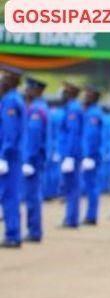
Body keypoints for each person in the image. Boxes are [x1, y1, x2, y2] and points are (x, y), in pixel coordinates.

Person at [20, 76, 47, 242]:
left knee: (32, 196)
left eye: (29, 88)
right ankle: (33, 230)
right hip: (34, 158)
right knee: (31, 195)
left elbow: (34, 137)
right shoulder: (37, 107)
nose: (26, 91)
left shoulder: (36, 110)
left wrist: (29, 160)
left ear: (37, 91)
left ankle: (34, 231)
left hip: (34, 159)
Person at [0, 66, 25, 248]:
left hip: (10, 156)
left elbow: (10, 131)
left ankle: (13, 235)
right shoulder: (11, 98)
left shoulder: (11, 101)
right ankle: (13, 233)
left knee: (10, 195)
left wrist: (3, 155)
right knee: (10, 195)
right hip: (10, 155)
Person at [57, 82, 84, 228]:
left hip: (71, 154)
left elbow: (73, 134)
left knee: (72, 187)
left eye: (65, 92)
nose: (62, 95)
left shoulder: (73, 109)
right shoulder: (70, 108)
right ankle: (70, 218)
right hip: (68, 153)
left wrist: (69, 156)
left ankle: (71, 219)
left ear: (71, 93)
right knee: (69, 187)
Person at [80, 85, 103, 225]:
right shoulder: (90, 111)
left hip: (92, 155)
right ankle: (90, 215)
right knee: (89, 186)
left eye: (88, 95)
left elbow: (92, 136)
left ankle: (91, 216)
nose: (85, 97)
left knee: (92, 186)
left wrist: (88, 155)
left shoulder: (93, 113)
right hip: (90, 154)